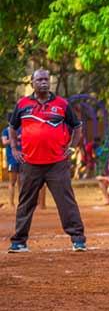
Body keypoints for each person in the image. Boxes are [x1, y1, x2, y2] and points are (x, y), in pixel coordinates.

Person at [8, 68, 86, 252]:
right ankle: (19, 242)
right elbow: (12, 127)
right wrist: (14, 149)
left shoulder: (62, 104)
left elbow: (77, 127)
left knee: (66, 202)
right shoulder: (22, 104)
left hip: (57, 163)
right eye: (39, 79)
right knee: (26, 202)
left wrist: (72, 147)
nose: (43, 82)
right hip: (30, 163)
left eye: (46, 79)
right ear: (32, 83)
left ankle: (78, 239)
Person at [2, 117, 21, 208]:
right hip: (12, 159)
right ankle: (11, 203)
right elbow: (4, 142)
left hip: (22, 158)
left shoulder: (22, 129)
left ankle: (22, 203)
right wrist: (15, 138)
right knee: (12, 182)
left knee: (22, 182)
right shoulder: (6, 131)